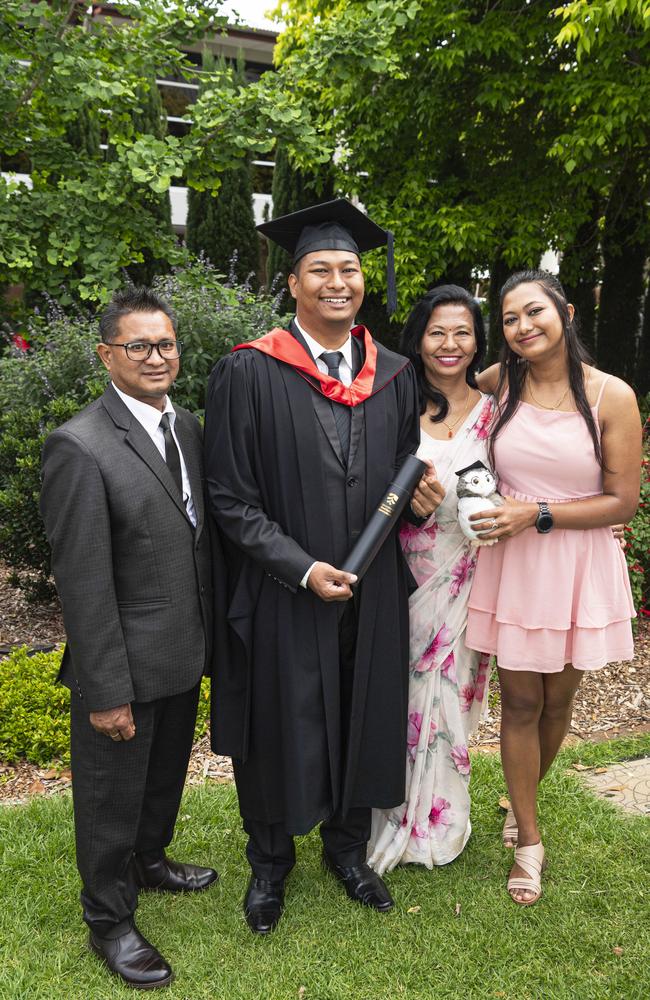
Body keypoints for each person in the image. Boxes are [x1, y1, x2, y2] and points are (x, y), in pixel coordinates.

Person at [204, 199, 442, 935]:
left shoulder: (396, 375)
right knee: (278, 721)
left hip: (371, 594)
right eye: (321, 269)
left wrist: (423, 504)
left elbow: (402, 483)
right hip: (285, 589)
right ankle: (270, 862)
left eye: (350, 268)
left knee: (361, 709)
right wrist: (302, 569)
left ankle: (347, 850)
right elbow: (229, 498)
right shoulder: (247, 372)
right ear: (294, 285)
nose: (339, 281)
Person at [40, 287, 221, 989]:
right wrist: (105, 690)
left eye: (166, 344)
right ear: (106, 355)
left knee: (163, 779)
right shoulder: (79, 446)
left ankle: (152, 861)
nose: (156, 357)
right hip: (125, 664)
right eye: (139, 346)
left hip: (182, 650)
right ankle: (110, 920)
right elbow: (83, 582)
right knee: (111, 799)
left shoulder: (188, 428)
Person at [466, 270, 641, 905]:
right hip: (514, 565)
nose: (522, 327)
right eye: (509, 319)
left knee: (559, 702)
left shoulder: (611, 396)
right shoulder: (498, 383)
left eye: (533, 312)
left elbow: (623, 501)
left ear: (564, 311)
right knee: (519, 702)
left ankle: (522, 798)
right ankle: (529, 841)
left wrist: (536, 512)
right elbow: (447, 414)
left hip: (576, 564)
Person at [368, 285, 493, 874]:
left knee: (455, 694)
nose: (449, 345)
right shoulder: (394, 402)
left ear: (477, 341)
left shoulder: (498, 408)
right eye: (437, 332)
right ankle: (395, 815)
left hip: (472, 569)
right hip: (405, 570)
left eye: (462, 332)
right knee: (408, 695)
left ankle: (443, 816)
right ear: (418, 338)